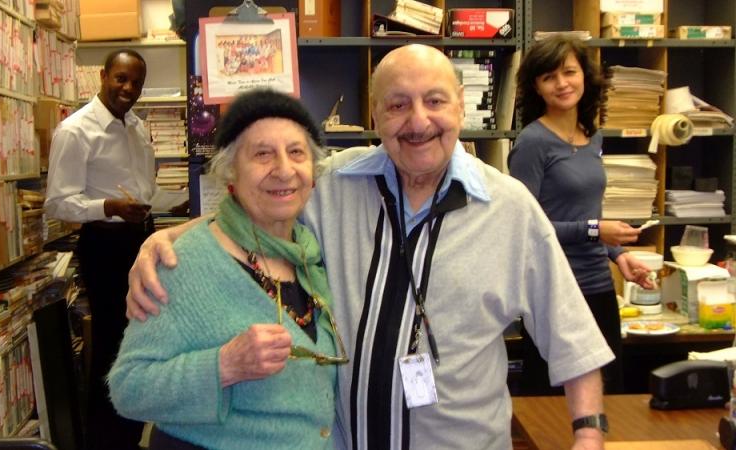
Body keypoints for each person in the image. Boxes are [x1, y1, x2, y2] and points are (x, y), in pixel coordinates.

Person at [127, 44, 614, 450]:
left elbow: (570, 333)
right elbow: (262, 196)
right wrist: (168, 238)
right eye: (398, 104)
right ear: (375, 112)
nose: (418, 121)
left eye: (435, 101)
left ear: (461, 107)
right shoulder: (334, 184)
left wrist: (588, 434)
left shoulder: (510, 209)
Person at [107, 89, 344, 450]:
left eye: (296, 152)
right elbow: (129, 387)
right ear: (231, 171)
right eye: (262, 154)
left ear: (313, 171)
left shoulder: (312, 254)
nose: (283, 169)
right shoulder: (183, 263)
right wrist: (224, 366)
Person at [508, 35, 654, 395]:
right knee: (556, 408)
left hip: (598, 287)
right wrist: (594, 231)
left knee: (608, 397)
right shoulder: (532, 142)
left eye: (569, 72)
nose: (562, 84)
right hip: (554, 290)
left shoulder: (592, 137)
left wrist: (619, 255)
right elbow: (525, 226)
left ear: (585, 76)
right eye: (549, 77)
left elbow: (588, 213)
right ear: (536, 87)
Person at [45, 49, 154, 450]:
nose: (128, 89)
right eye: (121, 79)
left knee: (139, 341)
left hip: (139, 236)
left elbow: (141, 182)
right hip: (106, 245)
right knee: (111, 343)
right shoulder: (76, 130)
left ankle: (130, 432)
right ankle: (106, 440)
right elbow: (57, 202)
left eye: (136, 83)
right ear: (104, 75)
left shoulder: (137, 127)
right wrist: (108, 207)